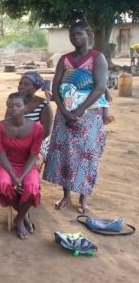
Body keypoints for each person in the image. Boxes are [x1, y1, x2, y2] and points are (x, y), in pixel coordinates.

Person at [43, 21, 109, 214]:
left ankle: (83, 198)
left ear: (87, 34)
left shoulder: (98, 58)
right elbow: (55, 86)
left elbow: (99, 88)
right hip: (65, 114)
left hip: (89, 115)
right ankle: (65, 195)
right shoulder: (64, 59)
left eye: (79, 34)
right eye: (72, 35)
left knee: (86, 156)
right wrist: (64, 111)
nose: (75, 38)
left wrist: (79, 112)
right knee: (65, 154)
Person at [0, 93, 43, 240]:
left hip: (27, 165)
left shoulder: (37, 128)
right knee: (2, 183)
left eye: (18, 105)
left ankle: (18, 219)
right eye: (10, 105)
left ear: (26, 108)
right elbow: (1, 154)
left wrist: (20, 176)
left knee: (32, 186)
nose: (13, 108)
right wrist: (14, 176)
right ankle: (23, 214)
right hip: (8, 165)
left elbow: (33, 156)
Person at [9, 71, 53, 161]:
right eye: (20, 83)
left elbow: (45, 132)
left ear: (35, 87)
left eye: (26, 84)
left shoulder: (43, 105)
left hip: (37, 142)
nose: (21, 86)